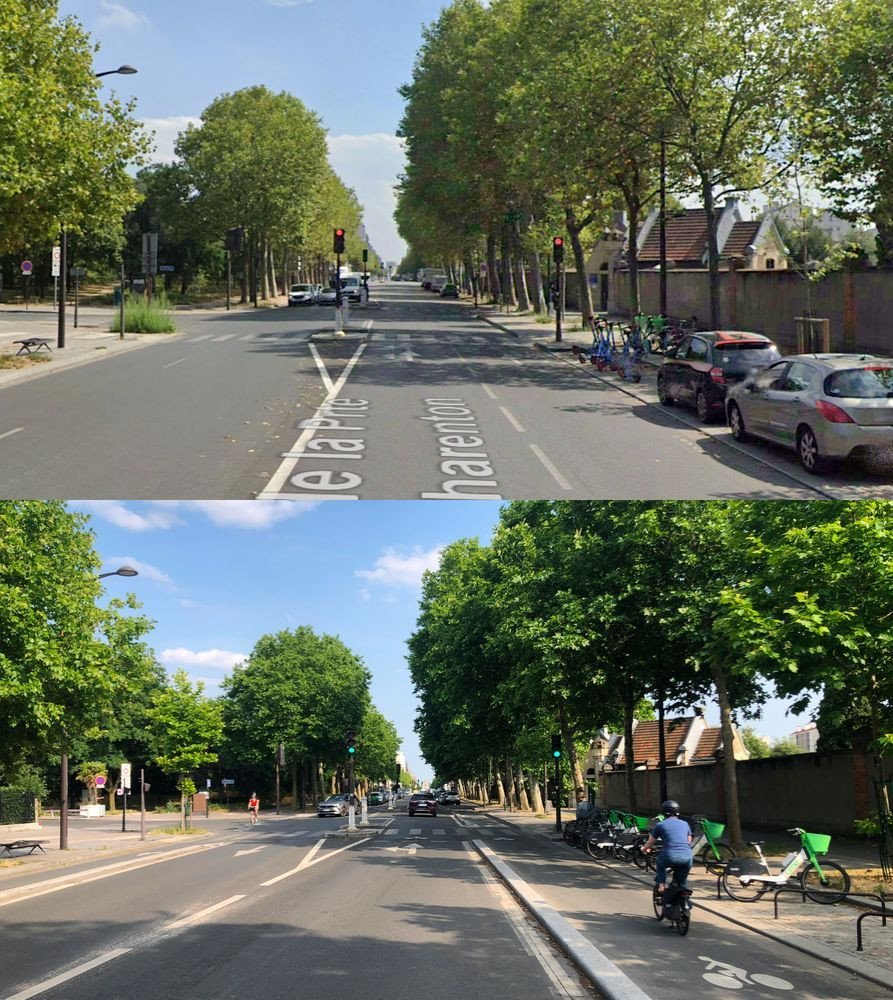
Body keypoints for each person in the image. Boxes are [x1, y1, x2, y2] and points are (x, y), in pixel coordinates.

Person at [641, 799, 693, 893]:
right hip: (687, 857)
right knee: (682, 882)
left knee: (659, 862)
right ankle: (684, 898)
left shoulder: (660, 825)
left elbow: (650, 842)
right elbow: (689, 841)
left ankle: (661, 886)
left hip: (669, 855)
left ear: (664, 812)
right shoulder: (685, 824)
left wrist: (644, 849)